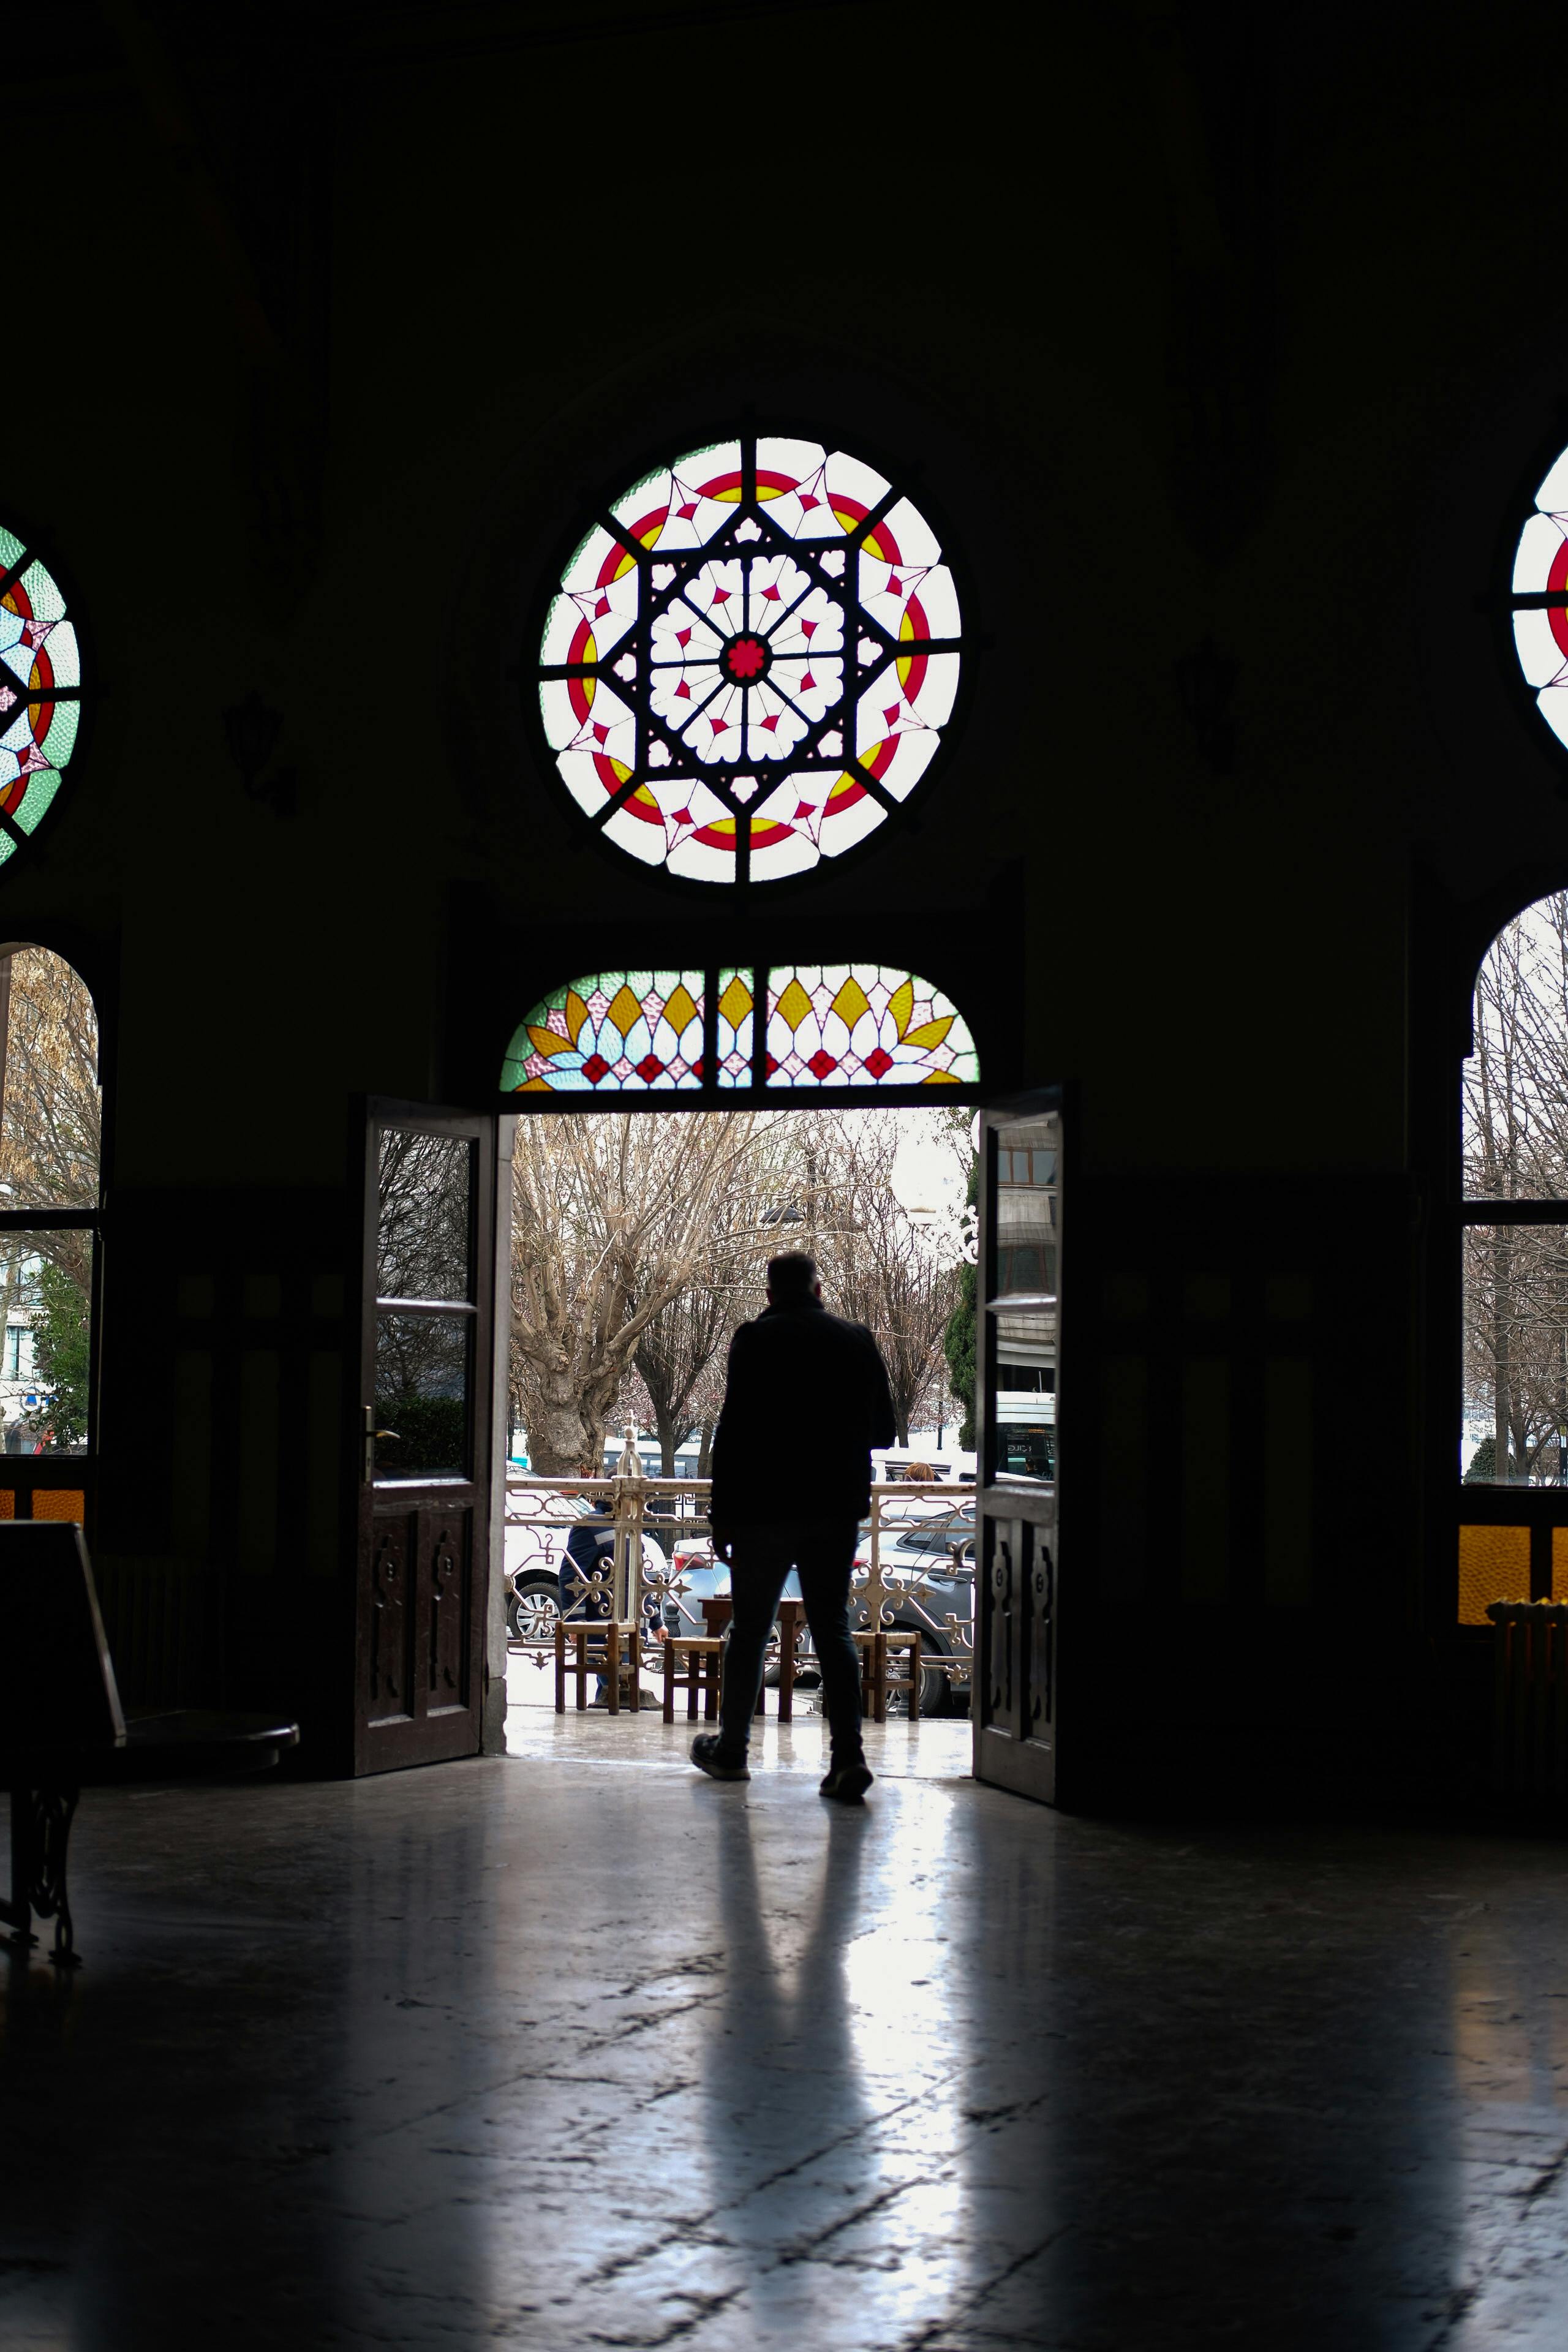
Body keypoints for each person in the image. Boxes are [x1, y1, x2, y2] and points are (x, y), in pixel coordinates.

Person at [691, 1251, 895, 1802]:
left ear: (770, 1293)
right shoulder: (857, 1340)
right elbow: (885, 1431)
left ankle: (732, 1749)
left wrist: (722, 1515)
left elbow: (730, 1434)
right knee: (832, 1628)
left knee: (750, 1629)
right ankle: (848, 1756)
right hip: (834, 1508)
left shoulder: (754, 1340)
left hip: (764, 1510)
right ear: (819, 1287)